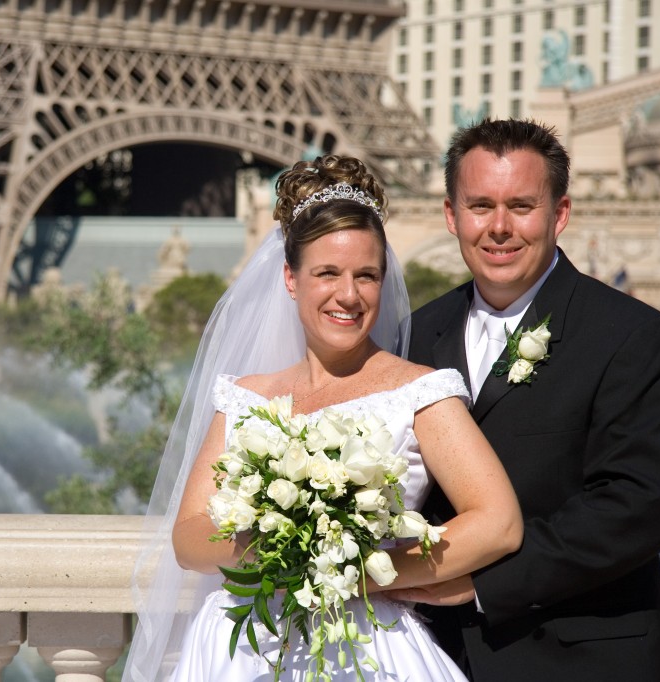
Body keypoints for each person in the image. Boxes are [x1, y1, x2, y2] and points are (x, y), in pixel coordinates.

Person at [123, 155, 523, 681]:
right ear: (291, 278)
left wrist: (360, 573)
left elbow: (499, 523)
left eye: (367, 275)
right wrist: (288, 549)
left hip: (366, 650)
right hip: (240, 650)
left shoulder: (422, 392)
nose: (349, 295)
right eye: (327, 273)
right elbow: (189, 538)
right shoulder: (244, 398)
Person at [399, 118, 660, 681]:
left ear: (559, 214)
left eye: (522, 206)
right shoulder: (413, 336)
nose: (499, 227)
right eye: (480, 205)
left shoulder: (632, 335)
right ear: (450, 215)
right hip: (431, 658)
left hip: (576, 659)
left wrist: (480, 583)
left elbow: (635, 506)